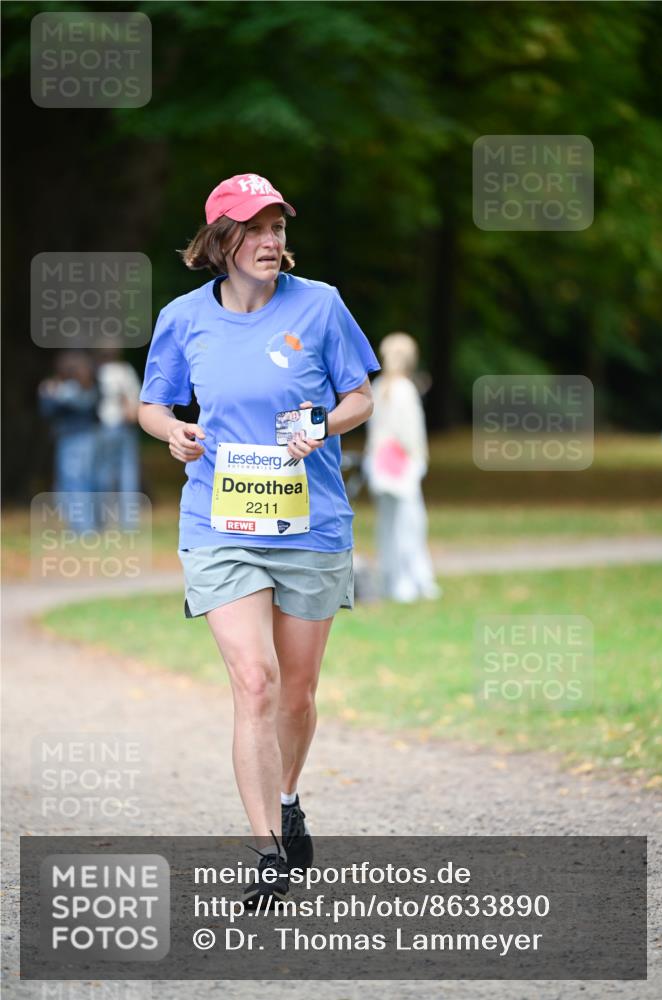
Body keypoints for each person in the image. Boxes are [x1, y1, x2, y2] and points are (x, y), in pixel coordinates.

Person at [138, 172, 380, 907]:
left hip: (311, 522)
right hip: (220, 524)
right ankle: (270, 849)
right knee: (255, 681)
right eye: (255, 229)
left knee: (297, 694)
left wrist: (322, 424)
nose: (271, 241)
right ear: (221, 241)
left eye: (278, 227)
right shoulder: (183, 318)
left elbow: (361, 396)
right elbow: (153, 404)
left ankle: (288, 797)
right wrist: (173, 431)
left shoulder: (321, 305)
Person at [363, 332, 440, 602]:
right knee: (410, 525)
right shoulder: (405, 389)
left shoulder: (378, 385)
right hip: (401, 468)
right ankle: (413, 582)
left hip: (379, 466)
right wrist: (419, 460)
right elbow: (410, 435)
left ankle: (391, 580)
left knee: (387, 526)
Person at [37, 350, 100, 533]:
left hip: (72, 440)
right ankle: (85, 524)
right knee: (85, 481)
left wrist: (47, 393)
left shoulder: (67, 390)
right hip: (89, 438)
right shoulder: (91, 388)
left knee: (74, 482)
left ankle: (83, 527)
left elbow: (48, 410)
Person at [94, 344, 142, 528]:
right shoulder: (125, 370)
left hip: (103, 426)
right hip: (124, 425)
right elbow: (135, 398)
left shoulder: (96, 371)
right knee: (128, 471)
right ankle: (129, 521)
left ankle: (103, 518)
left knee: (103, 471)